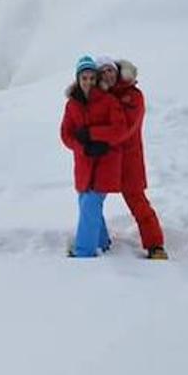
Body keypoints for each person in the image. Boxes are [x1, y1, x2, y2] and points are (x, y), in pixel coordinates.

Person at [60, 54, 130, 258]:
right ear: (78, 79)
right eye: (84, 78)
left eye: (92, 78)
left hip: (106, 162)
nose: (88, 82)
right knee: (86, 202)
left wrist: (93, 135)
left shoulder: (108, 101)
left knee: (90, 203)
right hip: (84, 164)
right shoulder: (72, 104)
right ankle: (102, 241)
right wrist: (82, 148)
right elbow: (66, 134)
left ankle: (84, 252)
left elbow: (120, 129)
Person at [105, 57, 169, 260]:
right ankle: (97, 240)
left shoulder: (133, 96)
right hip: (106, 161)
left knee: (138, 203)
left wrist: (92, 136)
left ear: (118, 72)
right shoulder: (102, 96)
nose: (107, 75)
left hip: (129, 162)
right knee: (91, 203)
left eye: (110, 71)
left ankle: (155, 245)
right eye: (103, 72)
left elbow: (124, 129)